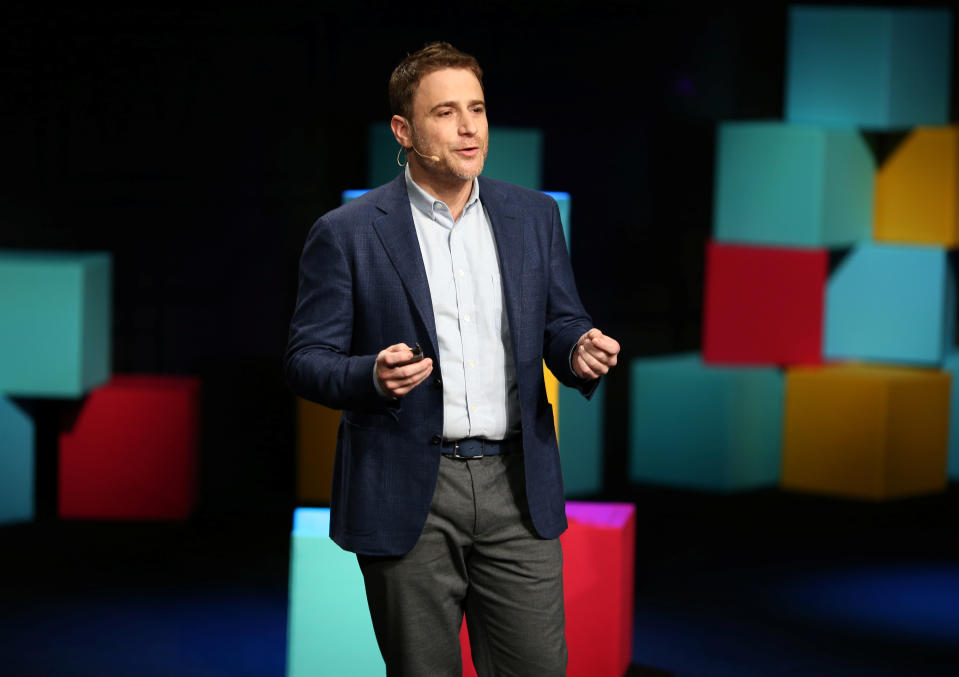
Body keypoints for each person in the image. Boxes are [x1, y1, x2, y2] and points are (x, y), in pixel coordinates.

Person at [285, 41, 620, 677]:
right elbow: (306, 358)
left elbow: (559, 320)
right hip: (407, 484)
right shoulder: (348, 231)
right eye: (446, 112)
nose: (468, 128)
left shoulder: (534, 216)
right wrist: (371, 377)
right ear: (404, 130)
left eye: (478, 109)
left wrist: (577, 349)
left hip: (517, 487)